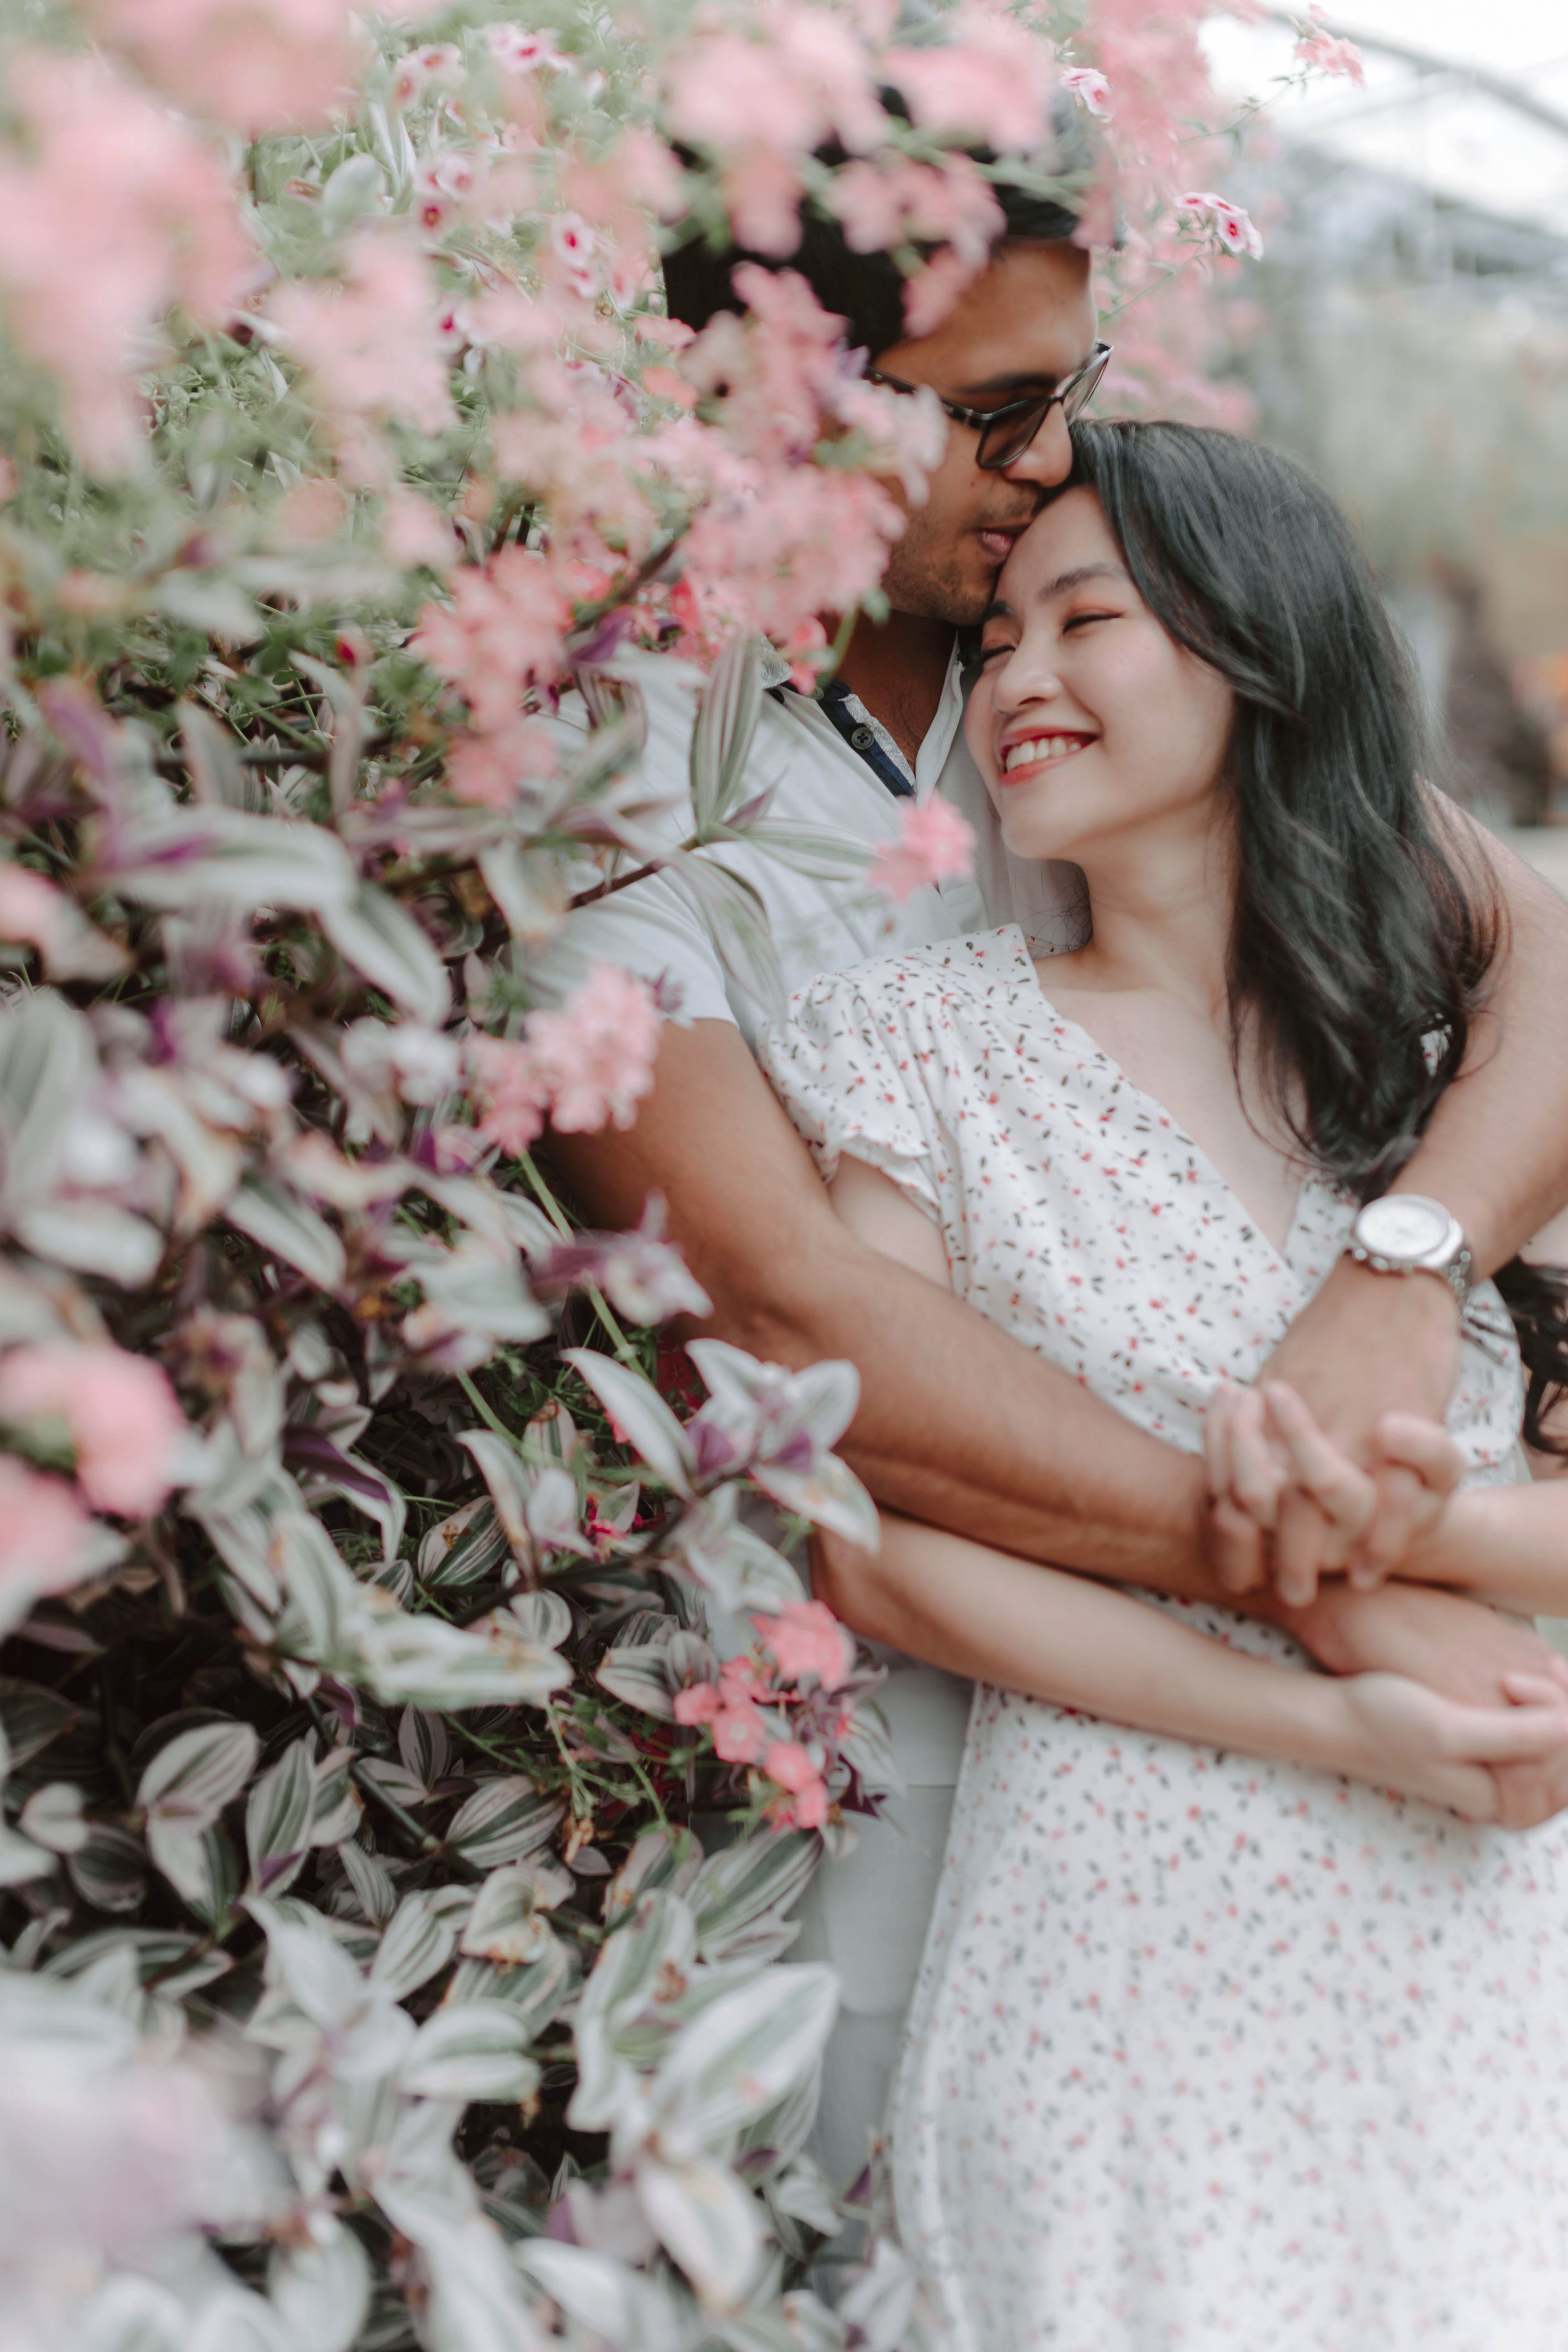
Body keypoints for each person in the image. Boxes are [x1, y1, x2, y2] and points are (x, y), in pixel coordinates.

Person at [538, 164, 1568, 2187]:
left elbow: (1533, 949)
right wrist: (1334, 1585)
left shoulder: (1098, 667)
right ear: (780, 406)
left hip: (1379, 1782)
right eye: (995, 412)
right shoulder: (610, 758)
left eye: (1069, 386)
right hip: (899, 1743)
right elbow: (789, 1323)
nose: (1057, 453)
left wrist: (1402, 1274)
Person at [759, 420, 1568, 2348]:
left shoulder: (1453, 1076)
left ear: (1257, 648)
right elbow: (878, 1549)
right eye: (994, 642)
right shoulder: (911, 1046)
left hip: (1495, 1928)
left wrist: (1413, 1527)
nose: (1018, 676)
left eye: (1086, 619)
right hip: (1120, 1943)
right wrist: (1335, 1720)